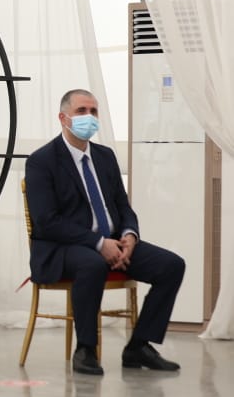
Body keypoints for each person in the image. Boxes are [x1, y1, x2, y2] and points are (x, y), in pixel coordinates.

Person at [25, 89, 185, 376]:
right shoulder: (42, 160)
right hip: (62, 247)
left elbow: (123, 205)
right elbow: (46, 222)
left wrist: (129, 235)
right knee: (92, 264)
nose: (89, 117)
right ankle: (85, 349)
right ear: (63, 118)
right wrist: (99, 243)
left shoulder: (105, 156)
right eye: (81, 111)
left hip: (112, 242)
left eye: (93, 111)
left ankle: (139, 346)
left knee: (171, 265)